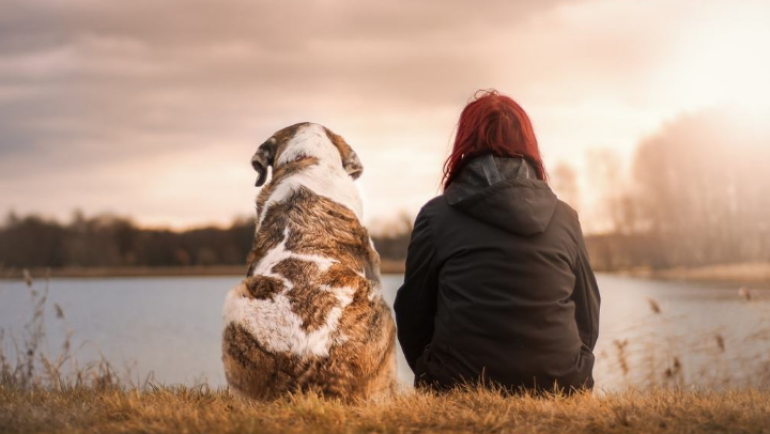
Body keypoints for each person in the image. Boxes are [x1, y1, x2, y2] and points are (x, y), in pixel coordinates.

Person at [394, 90, 600, 393]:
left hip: (457, 383)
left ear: (465, 143)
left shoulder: (436, 217)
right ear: (528, 144)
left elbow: (413, 314)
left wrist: (432, 371)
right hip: (562, 383)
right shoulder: (565, 217)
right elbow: (588, 312)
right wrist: (572, 367)